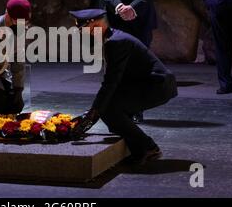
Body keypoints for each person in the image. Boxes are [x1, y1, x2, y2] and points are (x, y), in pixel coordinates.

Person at [70, 9, 178, 165]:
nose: (82, 33)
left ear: (96, 25)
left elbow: (111, 82)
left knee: (109, 110)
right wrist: (94, 111)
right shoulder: (112, 37)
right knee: (109, 107)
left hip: (157, 86)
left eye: (84, 29)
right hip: (146, 83)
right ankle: (131, 143)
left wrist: (93, 114)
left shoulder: (115, 42)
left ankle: (149, 148)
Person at [100, 0, 161, 123]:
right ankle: (117, 105)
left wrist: (133, 8)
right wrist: (119, 7)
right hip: (117, 21)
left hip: (140, 20)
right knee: (117, 65)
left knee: (140, 65)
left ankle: (137, 107)